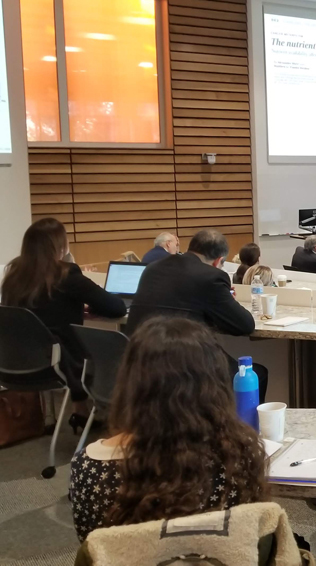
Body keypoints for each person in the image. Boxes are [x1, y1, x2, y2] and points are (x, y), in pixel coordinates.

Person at [69, 317, 267, 541]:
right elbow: (249, 539)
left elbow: (92, 548)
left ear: (132, 382)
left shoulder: (87, 466)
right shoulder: (239, 456)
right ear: (214, 384)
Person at [1, 218, 127, 427]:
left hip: (20, 362)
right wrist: (91, 307)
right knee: (109, 348)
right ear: (59, 246)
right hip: (60, 361)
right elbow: (117, 307)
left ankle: (80, 409)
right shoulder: (66, 273)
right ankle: (104, 413)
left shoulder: (14, 275)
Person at [127, 229, 268, 400]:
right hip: (183, 367)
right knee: (256, 375)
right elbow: (245, 325)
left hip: (140, 363)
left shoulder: (152, 268)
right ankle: (237, 426)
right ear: (218, 261)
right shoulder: (212, 276)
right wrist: (224, 302)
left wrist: (218, 300)